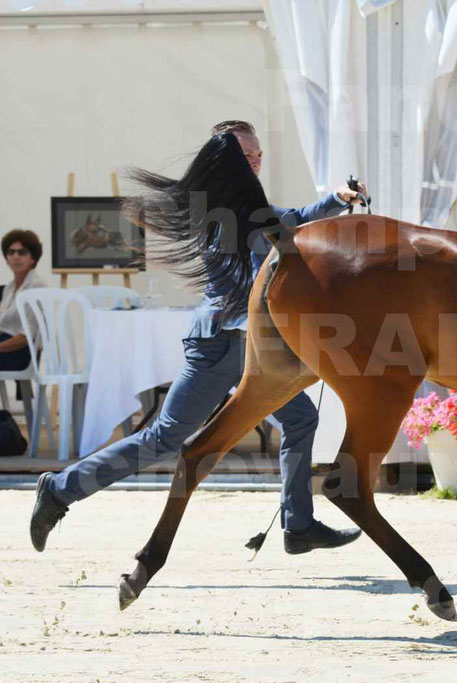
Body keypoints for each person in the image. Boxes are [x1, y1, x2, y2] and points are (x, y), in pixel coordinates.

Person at [31, 120, 366, 554]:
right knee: (163, 439)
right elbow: (251, 269)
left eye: (260, 155)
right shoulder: (216, 215)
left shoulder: (250, 209)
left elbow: (295, 219)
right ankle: (59, 490)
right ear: (226, 163)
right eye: (248, 156)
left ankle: (298, 524)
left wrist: (336, 200)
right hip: (218, 348)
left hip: (251, 349)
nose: (257, 162)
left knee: (301, 419)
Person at [0, 229, 47, 370]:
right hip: (5, 347)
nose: (15, 256)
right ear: (6, 259)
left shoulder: (37, 287)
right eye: (11, 252)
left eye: (22, 252)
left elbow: (26, 337)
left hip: (23, 353)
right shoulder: (9, 288)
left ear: (33, 259)